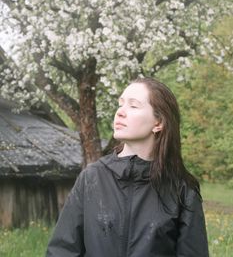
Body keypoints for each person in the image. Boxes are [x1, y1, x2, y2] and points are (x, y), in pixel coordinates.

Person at [46, 77, 209, 257]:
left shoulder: (182, 190)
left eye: (133, 106)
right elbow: (62, 251)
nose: (120, 112)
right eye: (120, 104)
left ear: (158, 123)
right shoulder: (92, 178)